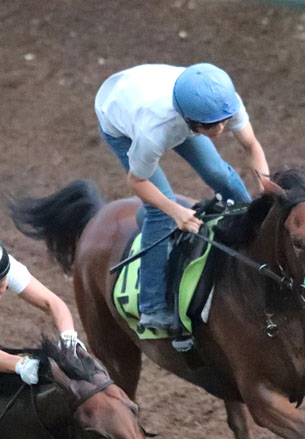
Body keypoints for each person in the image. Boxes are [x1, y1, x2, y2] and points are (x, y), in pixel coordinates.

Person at [95, 62, 269, 330]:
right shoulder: (154, 131)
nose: (220, 129)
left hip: (161, 96)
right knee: (160, 210)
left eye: (224, 121)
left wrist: (265, 189)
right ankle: (152, 305)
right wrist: (175, 211)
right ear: (190, 120)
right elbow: (137, 181)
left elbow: (251, 145)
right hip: (119, 116)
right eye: (212, 125)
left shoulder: (224, 103)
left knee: (220, 174)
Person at [0, 241, 84, 385]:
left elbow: (52, 303)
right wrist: (19, 364)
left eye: (0, 286)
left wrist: (68, 337)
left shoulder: (8, 267)